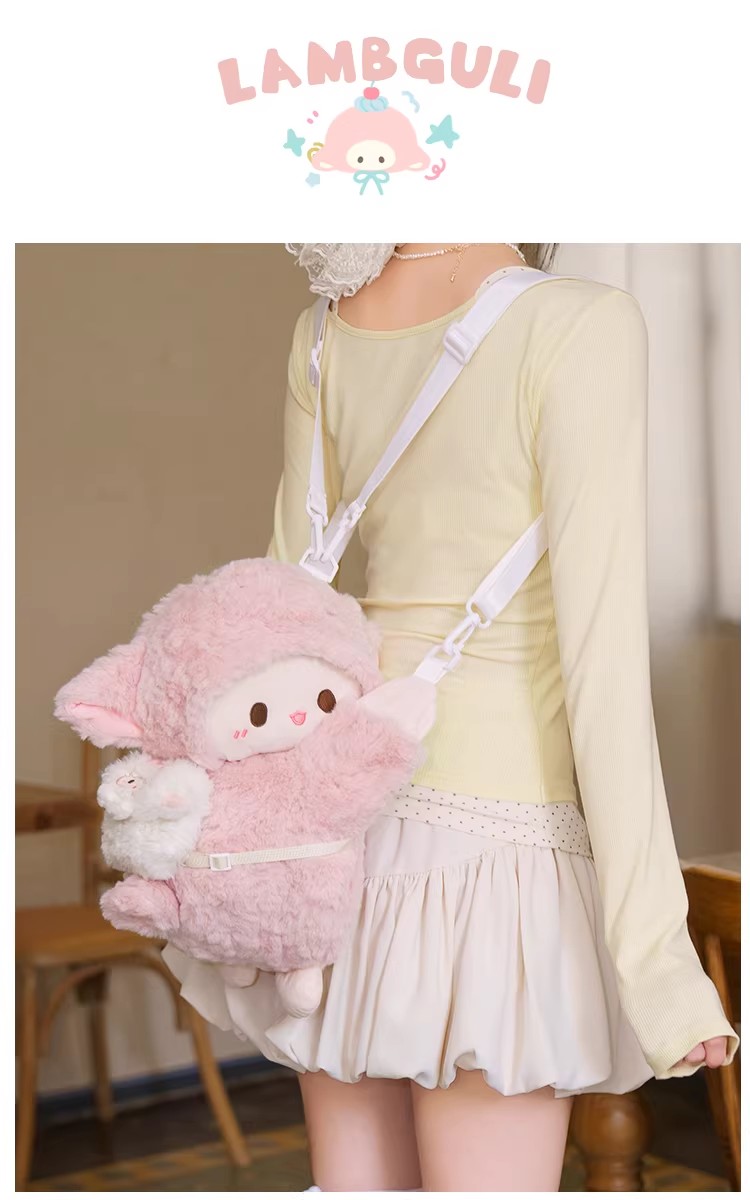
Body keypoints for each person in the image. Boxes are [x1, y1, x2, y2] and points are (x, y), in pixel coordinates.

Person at [163, 242, 738, 1192]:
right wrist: (658, 964)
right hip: (497, 853)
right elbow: (603, 666)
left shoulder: (324, 330)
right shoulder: (582, 323)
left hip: (340, 838)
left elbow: (279, 617)